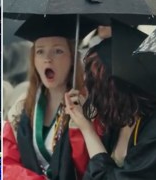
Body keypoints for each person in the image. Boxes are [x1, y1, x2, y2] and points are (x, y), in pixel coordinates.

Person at [3, 15, 97, 180]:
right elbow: (7, 164)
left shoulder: (89, 107)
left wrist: (79, 125)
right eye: (40, 51)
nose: (47, 59)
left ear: (72, 58)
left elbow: (90, 168)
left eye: (58, 51)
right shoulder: (20, 108)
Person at [65, 20, 156, 179]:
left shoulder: (152, 130)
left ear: (113, 91)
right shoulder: (119, 121)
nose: (91, 92)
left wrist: (87, 130)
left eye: (95, 86)